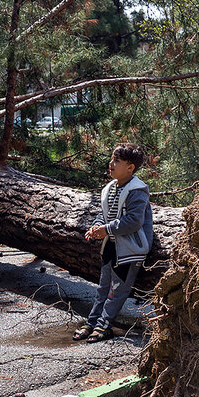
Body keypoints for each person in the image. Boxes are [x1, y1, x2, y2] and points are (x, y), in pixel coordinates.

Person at [75, 143, 153, 342]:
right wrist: (96, 227)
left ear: (130, 168)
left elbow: (134, 221)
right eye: (112, 159)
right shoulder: (111, 188)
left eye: (117, 161)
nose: (111, 163)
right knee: (102, 288)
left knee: (118, 290)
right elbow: (105, 215)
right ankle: (92, 322)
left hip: (130, 248)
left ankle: (104, 325)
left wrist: (106, 229)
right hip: (111, 245)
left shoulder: (137, 190)